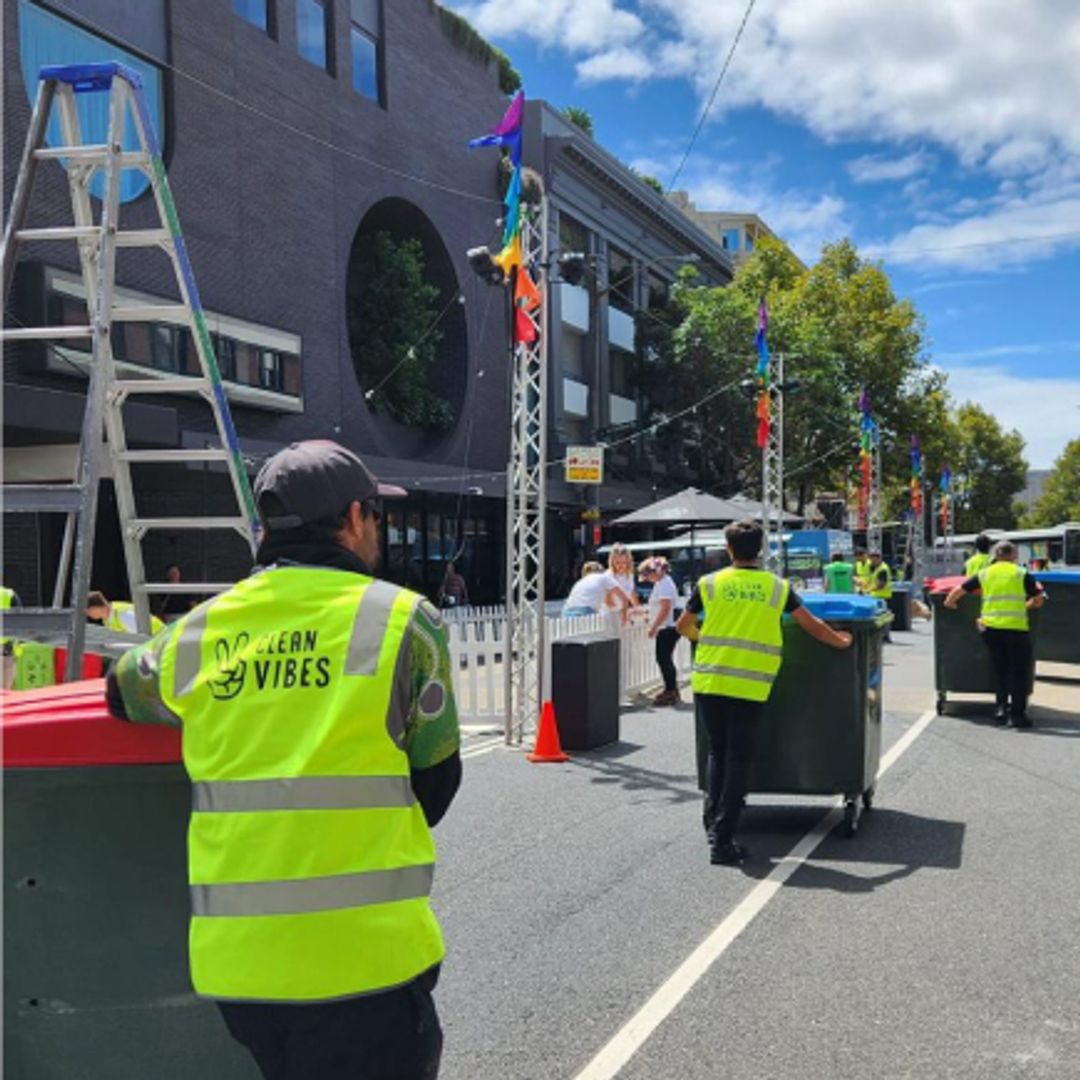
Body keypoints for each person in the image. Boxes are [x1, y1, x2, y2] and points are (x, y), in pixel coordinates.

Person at [106, 439, 461, 1080]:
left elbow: (121, 690)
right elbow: (435, 788)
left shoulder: (199, 631)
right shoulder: (405, 622)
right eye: (377, 516)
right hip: (367, 968)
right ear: (354, 518)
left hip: (241, 974)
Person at [676, 520, 852, 866]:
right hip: (750, 683)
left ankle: (715, 825)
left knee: (717, 753)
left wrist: (706, 639)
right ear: (760, 550)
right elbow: (811, 624)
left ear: (728, 549)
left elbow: (683, 625)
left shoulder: (709, 584)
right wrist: (842, 640)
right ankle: (723, 838)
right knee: (738, 758)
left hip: (710, 679)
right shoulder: (776, 587)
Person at [944, 539, 1045, 727]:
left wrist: (950, 603)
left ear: (996, 555)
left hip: (991, 629)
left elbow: (958, 590)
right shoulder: (1021, 573)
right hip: (1016, 629)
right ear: (1013, 555)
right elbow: (1038, 600)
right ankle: (1017, 715)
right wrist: (1025, 606)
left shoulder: (985, 573)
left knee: (1000, 669)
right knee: (1019, 671)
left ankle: (1000, 709)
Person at [640, 556, 681, 706]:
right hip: (667, 626)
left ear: (654, 572)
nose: (647, 579)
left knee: (663, 658)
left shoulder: (664, 584)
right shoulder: (663, 583)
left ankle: (670, 690)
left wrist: (654, 626)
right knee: (665, 658)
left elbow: (665, 608)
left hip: (666, 627)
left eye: (647, 575)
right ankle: (671, 689)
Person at [563, 562, 628, 618]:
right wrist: (623, 615)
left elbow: (608, 602)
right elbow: (623, 598)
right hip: (585, 611)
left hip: (566, 612)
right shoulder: (605, 577)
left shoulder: (581, 581)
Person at [87, 591, 165, 635]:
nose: (88, 615)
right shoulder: (107, 619)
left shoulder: (123, 615)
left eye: (88, 611)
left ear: (95, 608)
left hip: (163, 640)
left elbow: (140, 638)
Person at [605, 543, 640, 614]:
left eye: (623, 562)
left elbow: (632, 594)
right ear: (612, 562)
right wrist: (623, 612)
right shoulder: (608, 576)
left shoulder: (630, 575)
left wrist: (637, 609)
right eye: (617, 563)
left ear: (628, 562)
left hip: (623, 614)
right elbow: (608, 601)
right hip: (610, 614)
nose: (621, 565)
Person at [2, 584, 22, 690]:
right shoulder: (9, 594)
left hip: (7, 648)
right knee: (6, 690)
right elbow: (21, 621)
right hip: (7, 648)